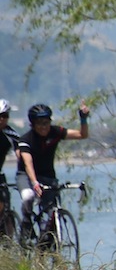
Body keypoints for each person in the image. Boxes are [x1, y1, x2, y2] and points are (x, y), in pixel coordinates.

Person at [17, 102, 91, 241]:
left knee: (52, 215)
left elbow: (82, 135)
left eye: (46, 122)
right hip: (26, 176)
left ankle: (46, 244)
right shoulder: (26, 139)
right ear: (32, 124)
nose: (44, 126)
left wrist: (83, 119)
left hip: (48, 176)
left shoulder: (55, 132)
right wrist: (34, 182)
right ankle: (26, 230)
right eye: (39, 123)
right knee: (28, 196)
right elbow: (28, 163)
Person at [0, 100, 19, 237]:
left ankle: (9, 242)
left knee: (5, 206)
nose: (2, 119)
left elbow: (22, 153)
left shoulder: (10, 133)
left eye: (5, 115)